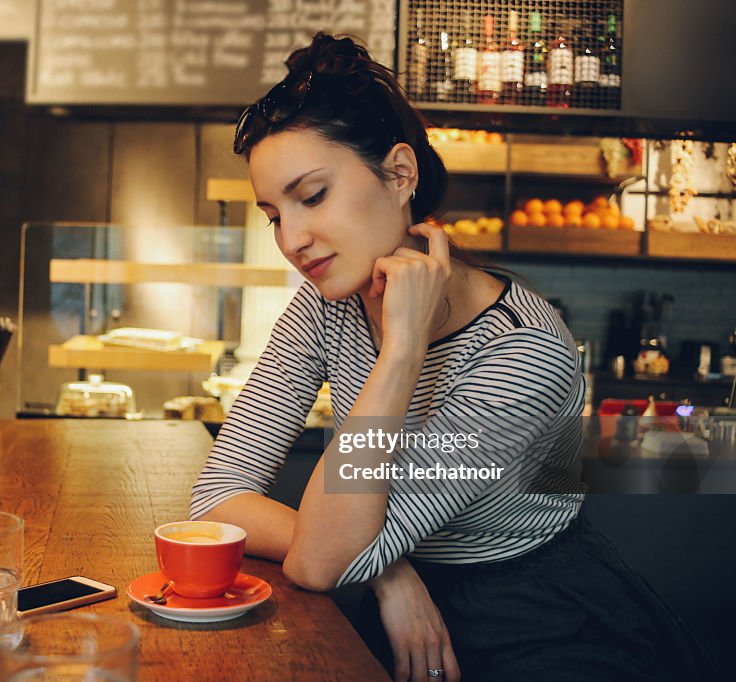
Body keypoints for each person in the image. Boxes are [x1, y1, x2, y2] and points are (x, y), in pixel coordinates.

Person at [190, 32, 715, 682]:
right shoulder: (326, 307)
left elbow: (322, 561)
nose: (291, 240)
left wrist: (402, 351)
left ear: (400, 174)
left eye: (313, 195)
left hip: (542, 618)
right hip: (402, 604)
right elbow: (216, 500)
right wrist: (392, 574)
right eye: (273, 214)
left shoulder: (525, 352)